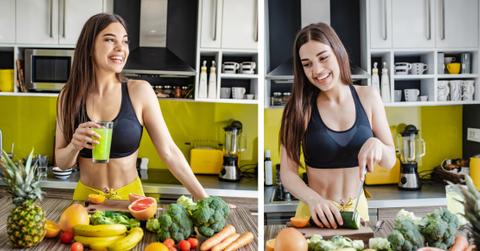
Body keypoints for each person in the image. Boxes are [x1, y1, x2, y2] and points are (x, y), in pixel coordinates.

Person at [54, 13, 208, 201]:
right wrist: (74, 146)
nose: (121, 48)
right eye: (110, 40)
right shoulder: (68, 96)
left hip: (130, 200)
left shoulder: (140, 92)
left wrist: (203, 198)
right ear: (89, 47)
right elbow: (61, 163)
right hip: (87, 201)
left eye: (125, 42)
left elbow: (169, 151)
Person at [279, 23, 396, 229]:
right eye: (307, 64)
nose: (317, 70)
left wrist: (376, 143)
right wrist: (314, 200)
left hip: (356, 213)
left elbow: (389, 161)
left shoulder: (368, 97)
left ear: (338, 52)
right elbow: (288, 173)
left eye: (323, 58)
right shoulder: (297, 109)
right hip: (315, 213)